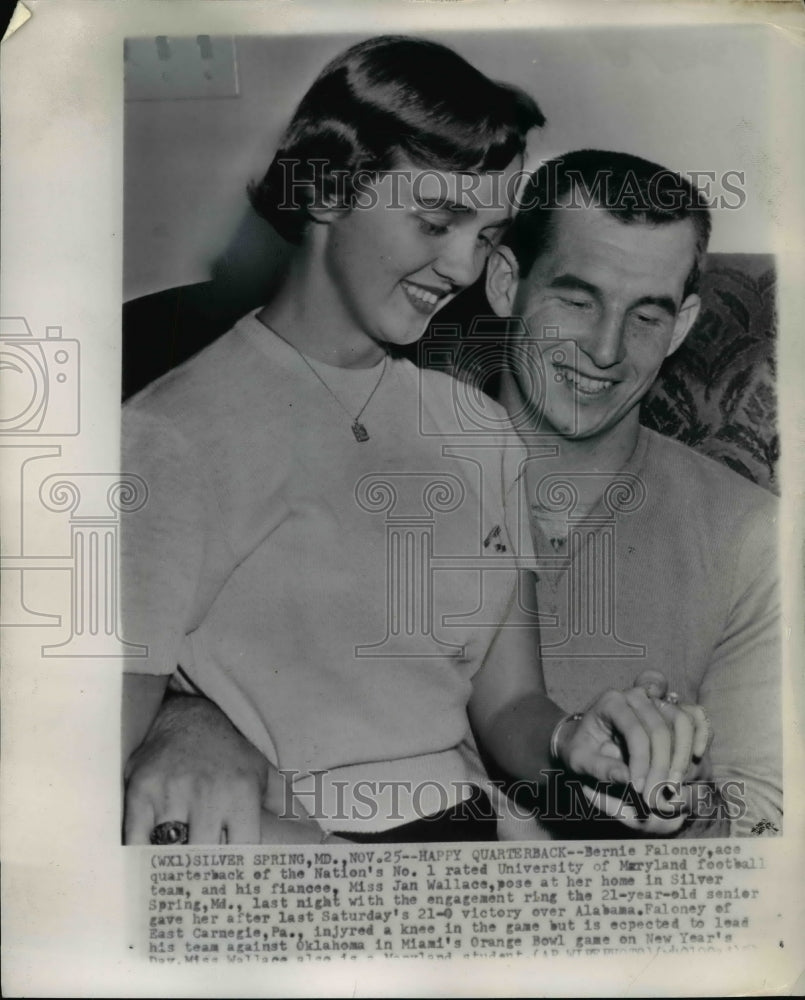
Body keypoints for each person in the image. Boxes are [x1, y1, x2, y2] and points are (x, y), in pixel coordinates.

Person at [122, 41, 708, 846]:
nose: (463, 265)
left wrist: (581, 749)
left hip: (475, 840)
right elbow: (90, 765)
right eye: (436, 222)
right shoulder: (166, 437)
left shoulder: (476, 427)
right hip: (310, 862)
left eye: (487, 233)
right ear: (326, 190)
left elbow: (508, 711)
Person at [479, 149, 781, 836]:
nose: (606, 349)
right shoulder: (384, 473)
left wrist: (662, 799)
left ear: (680, 325)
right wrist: (194, 723)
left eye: (646, 316)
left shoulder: (752, 538)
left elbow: (762, 825)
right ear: (504, 281)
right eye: (577, 299)